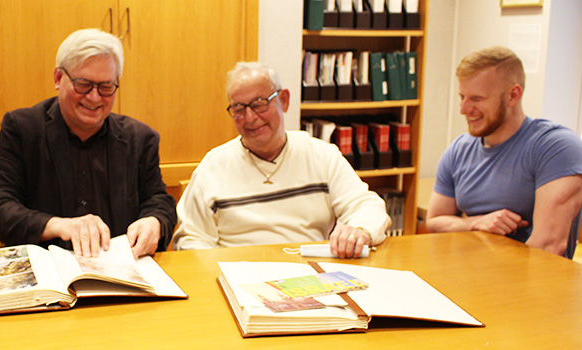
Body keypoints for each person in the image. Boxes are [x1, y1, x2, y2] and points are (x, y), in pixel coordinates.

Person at [0, 29, 176, 258]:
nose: (94, 97)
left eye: (106, 87)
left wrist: (154, 222)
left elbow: (159, 201)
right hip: (47, 274)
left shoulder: (140, 139)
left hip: (121, 273)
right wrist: (61, 226)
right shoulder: (21, 129)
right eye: (83, 84)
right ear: (58, 79)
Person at [171, 62, 390, 258]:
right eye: (238, 109)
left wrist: (359, 230)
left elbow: (367, 206)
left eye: (259, 104)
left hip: (311, 274)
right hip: (237, 276)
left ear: (283, 100)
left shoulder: (322, 156)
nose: (250, 118)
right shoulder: (213, 166)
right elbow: (191, 238)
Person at [426, 46, 582, 259]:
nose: (463, 109)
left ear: (513, 95)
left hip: (528, 286)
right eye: (462, 96)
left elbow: (548, 246)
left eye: (476, 99)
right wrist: (474, 222)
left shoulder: (557, 148)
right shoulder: (458, 150)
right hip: (469, 276)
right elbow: (434, 221)